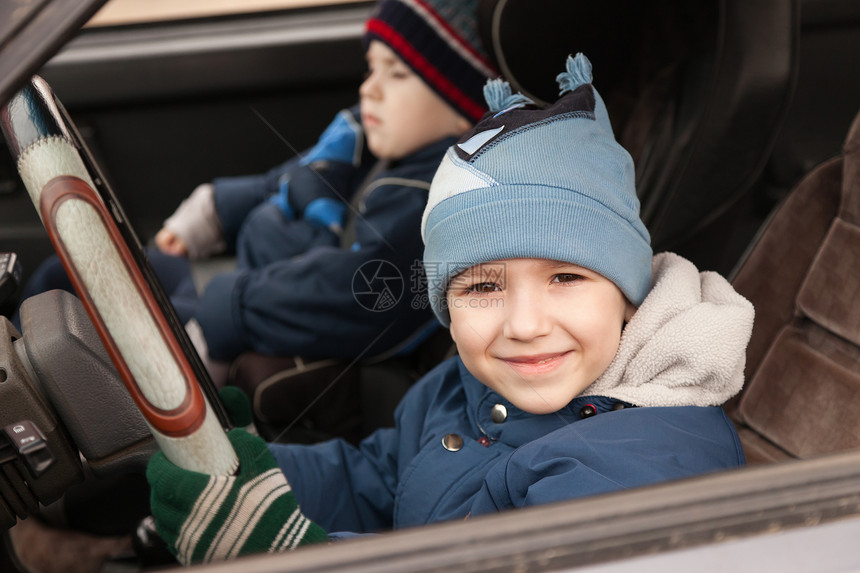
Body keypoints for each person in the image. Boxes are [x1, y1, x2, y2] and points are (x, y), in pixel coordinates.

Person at [146, 53, 754, 565]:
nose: (524, 324)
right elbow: (382, 482)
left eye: (566, 277)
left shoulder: (647, 462)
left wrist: (285, 550)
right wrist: (246, 470)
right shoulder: (470, 383)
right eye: (483, 288)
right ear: (446, 303)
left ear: (628, 294)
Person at [17, 0, 498, 375]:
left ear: (461, 109)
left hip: (265, 316)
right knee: (86, 266)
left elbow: (354, 292)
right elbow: (289, 178)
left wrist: (230, 309)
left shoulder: (430, 202)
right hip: (254, 276)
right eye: (371, 68)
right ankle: (22, 346)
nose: (370, 87)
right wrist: (214, 212)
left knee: (115, 333)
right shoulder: (363, 139)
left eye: (397, 74)